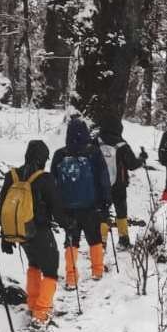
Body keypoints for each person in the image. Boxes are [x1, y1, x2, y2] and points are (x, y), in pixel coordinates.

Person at [0, 140, 72, 324]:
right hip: (40, 231)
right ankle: (42, 312)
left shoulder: (11, 176)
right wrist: (68, 224)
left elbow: (2, 207)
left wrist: (5, 237)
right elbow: (56, 208)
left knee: (34, 264)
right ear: (43, 159)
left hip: (20, 232)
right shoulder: (44, 179)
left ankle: (32, 304)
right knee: (50, 271)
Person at [51, 117, 111, 288]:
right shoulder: (93, 152)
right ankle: (97, 271)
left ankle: (71, 277)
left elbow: (53, 181)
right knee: (94, 238)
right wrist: (106, 202)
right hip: (90, 205)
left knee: (71, 240)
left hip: (67, 207)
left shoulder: (60, 154)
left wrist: (56, 207)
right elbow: (103, 178)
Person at [97, 117, 148, 249]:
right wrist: (142, 159)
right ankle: (123, 240)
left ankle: (100, 242)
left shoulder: (96, 142)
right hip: (119, 185)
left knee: (102, 213)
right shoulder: (122, 144)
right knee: (121, 212)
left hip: (100, 185)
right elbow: (132, 164)